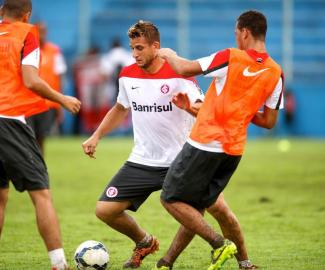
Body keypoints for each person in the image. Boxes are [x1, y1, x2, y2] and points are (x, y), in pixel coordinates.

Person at [82, 20, 257, 270]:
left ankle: (244, 262)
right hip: (142, 160)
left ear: (157, 47)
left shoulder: (181, 74)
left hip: (183, 159)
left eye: (140, 48)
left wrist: (188, 106)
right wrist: (96, 136)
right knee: (105, 210)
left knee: (218, 210)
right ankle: (144, 242)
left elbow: (204, 110)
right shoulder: (127, 74)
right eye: (132, 48)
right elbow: (121, 108)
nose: (135, 54)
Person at [0, 1, 81, 269]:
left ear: (1, 10)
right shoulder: (27, 33)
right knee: (41, 194)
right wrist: (62, 99)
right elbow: (31, 80)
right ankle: (59, 264)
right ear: (27, 15)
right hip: (8, 121)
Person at [157, 10, 284, 270]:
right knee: (199, 207)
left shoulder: (231, 57)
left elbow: (183, 68)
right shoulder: (276, 72)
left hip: (204, 144)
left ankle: (219, 244)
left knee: (169, 198)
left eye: (236, 33)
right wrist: (240, 110)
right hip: (233, 151)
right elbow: (269, 122)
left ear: (245, 32)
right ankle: (168, 262)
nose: (236, 38)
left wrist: (167, 54)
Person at [26, 21, 67, 155]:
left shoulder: (54, 51)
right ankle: (30, 165)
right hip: (29, 101)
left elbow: (59, 78)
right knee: (28, 137)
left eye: (43, 31)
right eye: (39, 31)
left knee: (41, 137)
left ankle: (39, 165)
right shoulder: (27, 51)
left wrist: (60, 103)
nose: (41, 34)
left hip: (48, 103)